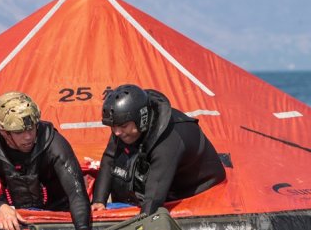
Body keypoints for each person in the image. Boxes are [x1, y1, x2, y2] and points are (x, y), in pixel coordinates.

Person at [0, 92, 92, 230]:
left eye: (31, 128)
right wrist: (0, 208)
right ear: (4, 132)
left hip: (58, 211)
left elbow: (76, 191)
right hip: (16, 211)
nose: (28, 137)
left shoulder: (54, 143)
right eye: (19, 132)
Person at [92, 84, 226, 215]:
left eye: (122, 126)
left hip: (196, 187)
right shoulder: (123, 124)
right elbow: (110, 158)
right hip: (164, 173)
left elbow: (153, 200)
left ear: (141, 119)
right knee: (120, 170)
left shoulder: (168, 141)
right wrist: (99, 200)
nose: (117, 133)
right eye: (113, 127)